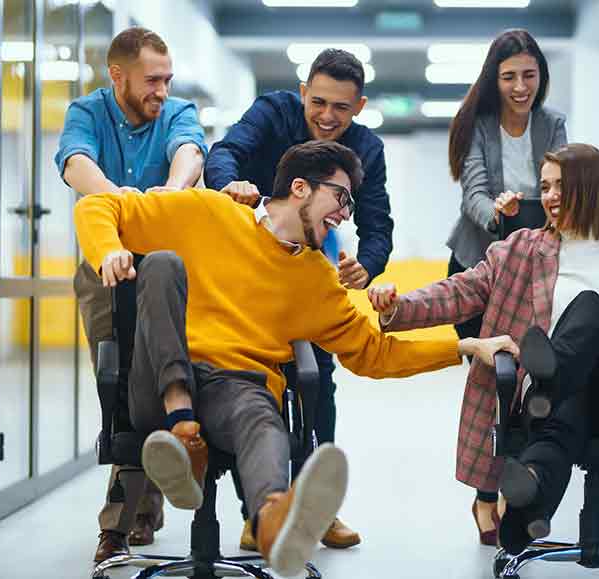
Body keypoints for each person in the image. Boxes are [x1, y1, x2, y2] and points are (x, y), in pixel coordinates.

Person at [74, 140, 516, 577]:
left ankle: (273, 524)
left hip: (237, 387)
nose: (345, 213)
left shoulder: (317, 280)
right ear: (300, 188)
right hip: (162, 383)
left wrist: (464, 348)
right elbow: (98, 207)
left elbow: (374, 353)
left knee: (264, 419)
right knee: (162, 264)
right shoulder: (209, 211)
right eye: (340, 197)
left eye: (350, 206)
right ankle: (182, 425)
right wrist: (108, 250)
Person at [367, 143, 599, 553]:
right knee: (558, 423)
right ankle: (525, 508)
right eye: (545, 186)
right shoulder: (520, 248)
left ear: (590, 188)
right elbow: (460, 291)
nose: (548, 197)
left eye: (559, 187)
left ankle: (552, 372)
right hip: (557, 402)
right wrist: (397, 307)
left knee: (589, 309)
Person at [205, 47, 392, 550]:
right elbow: (223, 153)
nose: (328, 117)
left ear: (360, 106)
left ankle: (318, 508)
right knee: (257, 385)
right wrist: (231, 185)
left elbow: (379, 225)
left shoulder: (367, 150)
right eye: (320, 102)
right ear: (303, 89)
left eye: (342, 108)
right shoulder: (272, 112)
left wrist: (366, 266)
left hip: (310, 273)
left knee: (317, 384)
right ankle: (258, 515)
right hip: (248, 271)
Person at [53, 26, 207, 562]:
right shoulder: (87, 111)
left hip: (166, 269)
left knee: (155, 373)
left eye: (167, 79)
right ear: (117, 76)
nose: (161, 90)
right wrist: (120, 200)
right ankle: (143, 502)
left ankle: (119, 522)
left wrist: (172, 190)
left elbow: (188, 151)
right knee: (116, 381)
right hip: (106, 262)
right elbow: (76, 163)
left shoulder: (178, 110)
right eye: (151, 80)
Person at [444, 28, 566, 541]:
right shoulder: (480, 125)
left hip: (536, 267)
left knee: (528, 387)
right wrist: (496, 212)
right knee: (493, 384)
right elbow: (473, 194)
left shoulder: (552, 123)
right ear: (494, 80)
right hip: (480, 264)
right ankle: (485, 496)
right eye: (510, 76)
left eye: (529, 75)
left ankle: (512, 490)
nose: (520, 86)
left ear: (541, 77)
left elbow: (568, 181)